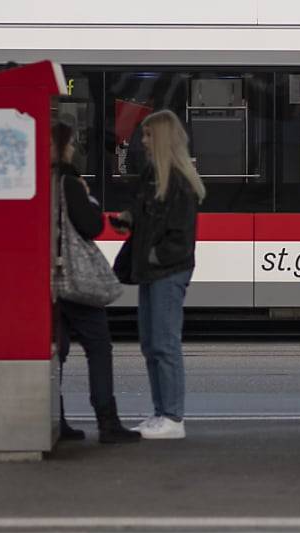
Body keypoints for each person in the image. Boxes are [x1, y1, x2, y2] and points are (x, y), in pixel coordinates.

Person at [112, 110, 205, 440]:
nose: (143, 141)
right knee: (152, 344)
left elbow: (180, 238)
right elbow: (146, 215)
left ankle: (172, 417)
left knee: (164, 344)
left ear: (163, 138)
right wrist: (128, 219)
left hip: (167, 270)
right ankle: (160, 412)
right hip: (153, 270)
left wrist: (153, 254)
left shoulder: (177, 181)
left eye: (149, 135)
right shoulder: (155, 176)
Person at [52, 123, 141, 444]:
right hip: (74, 280)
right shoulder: (70, 183)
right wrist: (89, 202)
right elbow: (91, 226)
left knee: (56, 352)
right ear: (63, 146)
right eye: (71, 144)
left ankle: (55, 419)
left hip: (47, 282)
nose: (74, 149)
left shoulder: (36, 181)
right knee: (99, 347)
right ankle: (107, 421)